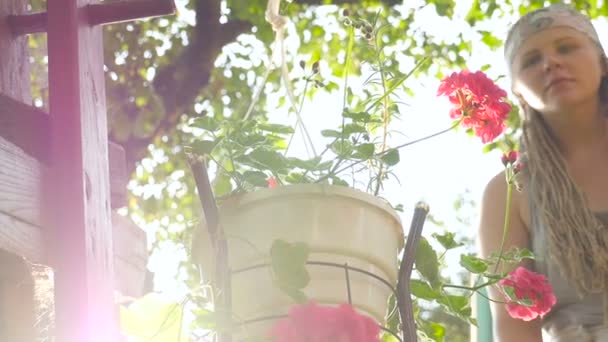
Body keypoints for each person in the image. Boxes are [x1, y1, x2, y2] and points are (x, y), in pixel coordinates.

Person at [478, 4, 608, 341]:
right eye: (531, 60)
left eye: (567, 47)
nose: (551, 63)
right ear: (518, 92)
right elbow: (514, 330)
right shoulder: (508, 193)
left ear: (602, 63)